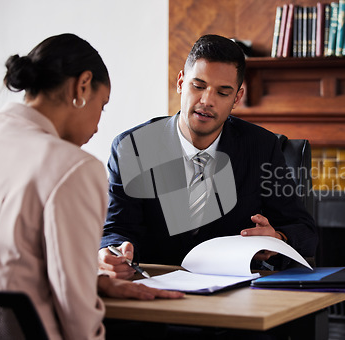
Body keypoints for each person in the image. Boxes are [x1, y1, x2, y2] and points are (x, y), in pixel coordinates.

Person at [0, 33, 183, 340]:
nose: (97, 125)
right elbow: (75, 310)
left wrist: (96, 281)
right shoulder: (74, 167)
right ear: (82, 85)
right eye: (102, 105)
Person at [98, 34, 318, 279]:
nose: (206, 101)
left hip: (235, 293)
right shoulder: (132, 148)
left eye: (223, 93)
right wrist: (113, 251)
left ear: (237, 98)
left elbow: (305, 232)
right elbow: (116, 228)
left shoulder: (262, 147)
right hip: (154, 285)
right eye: (198, 86)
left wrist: (278, 238)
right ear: (181, 82)